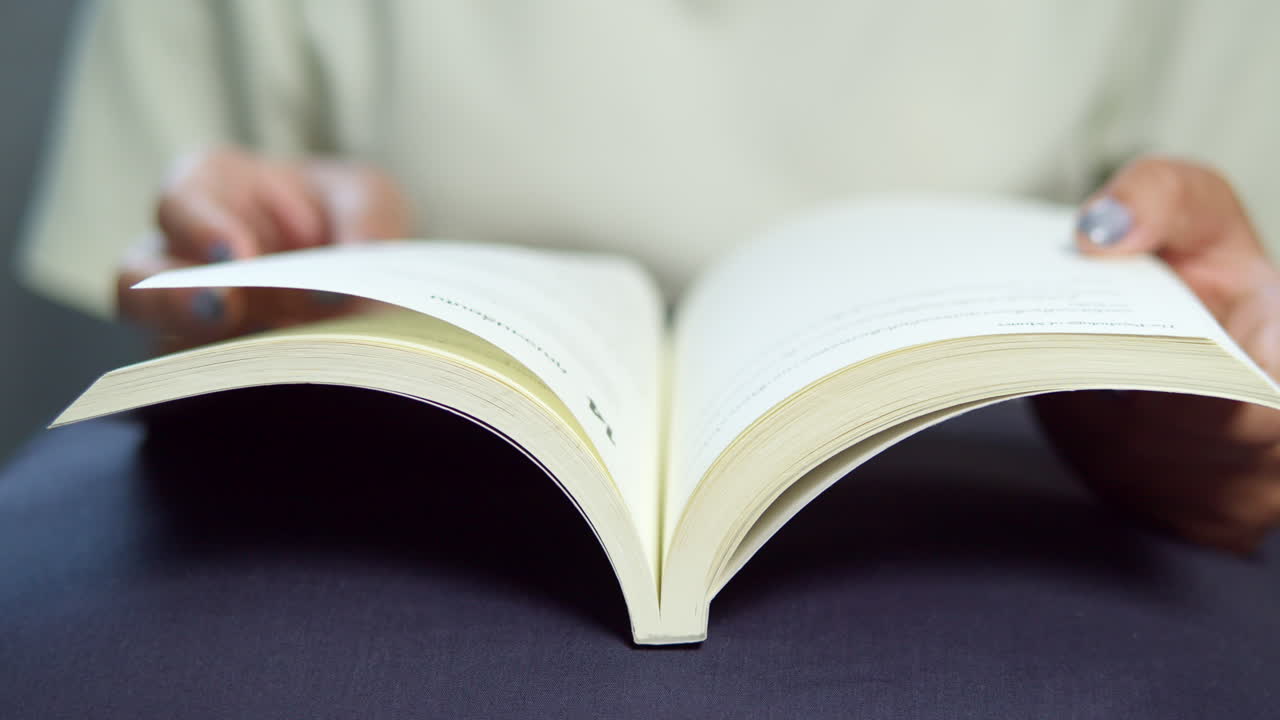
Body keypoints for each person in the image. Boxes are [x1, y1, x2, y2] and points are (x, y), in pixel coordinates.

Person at [16, 0, 1280, 551]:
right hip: (370, 479)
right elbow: (183, 297)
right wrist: (302, 274)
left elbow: (1237, 352)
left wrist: (1215, 429)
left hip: (1002, 499)